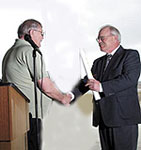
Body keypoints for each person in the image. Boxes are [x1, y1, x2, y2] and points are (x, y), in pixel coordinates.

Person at [2, 19, 71, 150]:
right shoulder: (30, 51)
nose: (43, 37)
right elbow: (45, 86)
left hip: (18, 117)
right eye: (41, 33)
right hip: (31, 118)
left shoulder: (10, 52)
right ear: (32, 32)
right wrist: (63, 98)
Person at [71, 25, 141, 150]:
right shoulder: (98, 62)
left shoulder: (130, 55)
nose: (99, 41)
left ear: (114, 38)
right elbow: (86, 82)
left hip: (123, 120)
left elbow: (129, 79)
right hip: (103, 119)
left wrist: (101, 86)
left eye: (101, 38)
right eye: (97, 39)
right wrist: (70, 95)